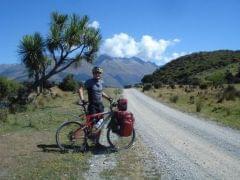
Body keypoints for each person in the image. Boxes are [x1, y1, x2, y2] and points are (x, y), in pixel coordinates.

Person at [78, 66, 112, 147]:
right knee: (91, 124)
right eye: (96, 73)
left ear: (101, 74)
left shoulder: (101, 82)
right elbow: (80, 89)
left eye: (99, 73)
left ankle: (97, 142)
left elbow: (101, 92)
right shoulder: (89, 82)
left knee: (100, 124)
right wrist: (82, 99)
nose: (98, 74)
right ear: (93, 73)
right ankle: (85, 142)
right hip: (92, 105)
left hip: (100, 105)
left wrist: (108, 98)